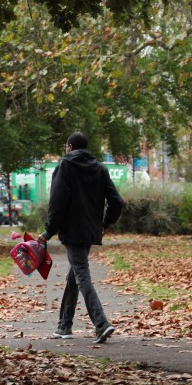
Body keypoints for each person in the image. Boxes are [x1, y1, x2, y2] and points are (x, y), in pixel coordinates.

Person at [37, 132, 124, 344]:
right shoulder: (100, 169)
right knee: (74, 275)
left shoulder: (65, 166)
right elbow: (117, 202)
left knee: (81, 274)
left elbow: (57, 203)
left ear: (69, 147)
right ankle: (64, 326)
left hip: (72, 230)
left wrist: (48, 231)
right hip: (90, 230)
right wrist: (105, 222)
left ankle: (101, 324)